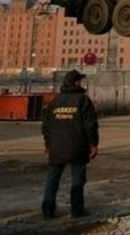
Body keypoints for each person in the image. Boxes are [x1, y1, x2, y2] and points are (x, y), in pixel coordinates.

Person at [41, 69, 99, 219]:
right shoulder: (83, 100)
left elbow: (46, 125)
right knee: (78, 179)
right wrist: (93, 144)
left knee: (52, 179)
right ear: (76, 82)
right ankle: (77, 210)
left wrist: (48, 144)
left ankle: (48, 210)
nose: (82, 82)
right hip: (77, 146)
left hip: (56, 146)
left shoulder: (55, 101)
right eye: (80, 80)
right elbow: (90, 124)